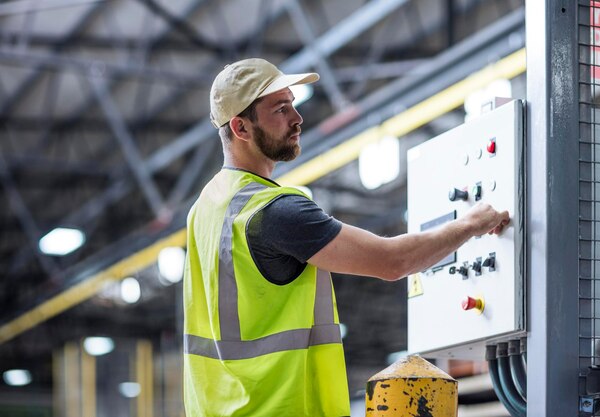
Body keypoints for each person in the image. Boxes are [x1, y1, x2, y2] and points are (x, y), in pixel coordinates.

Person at [182, 58, 510, 417]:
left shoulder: (207, 208)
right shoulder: (272, 211)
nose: (297, 117)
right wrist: (471, 223)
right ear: (241, 128)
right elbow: (391, 261)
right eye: (280, 108)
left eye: (293, 103)